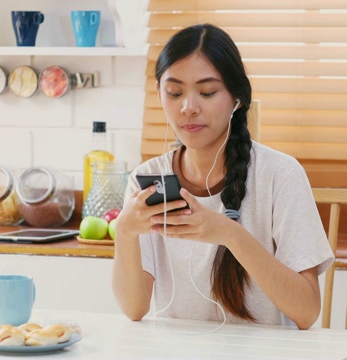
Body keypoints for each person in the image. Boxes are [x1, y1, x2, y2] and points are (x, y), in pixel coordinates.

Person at [111, 23, 334, 330]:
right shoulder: (148, 179)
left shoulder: (280, 175)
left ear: (236, 98)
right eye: (174, 93)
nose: (188, 108)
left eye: (207, 92)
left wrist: (231, 234)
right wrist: (124, 231)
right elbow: (135, 309)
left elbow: (307, 312)